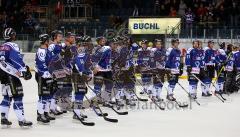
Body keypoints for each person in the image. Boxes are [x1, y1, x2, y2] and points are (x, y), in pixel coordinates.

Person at [0, 28, 32, 127]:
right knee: (18, 96)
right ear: (12, 35)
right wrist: (24, 70)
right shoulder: (12, 45)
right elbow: (16, 59)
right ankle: (22, 120)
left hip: (2, 74)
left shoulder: (2, 46)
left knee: (7, 97)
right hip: (11, 75)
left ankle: (3, 119)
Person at [35, 34, 55, 124]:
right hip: (41, 75)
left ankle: (46, 113)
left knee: (47, 94)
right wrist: (45, 73)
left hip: (48, 75)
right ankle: (40, 115)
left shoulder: (47, 50)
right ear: (46, 41)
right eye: (49, 40)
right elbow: (41, 64)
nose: (50, 41)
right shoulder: (41, 51)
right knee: (42, 95)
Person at [72, 35, 93, 120]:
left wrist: (89, 73)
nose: (90, 45)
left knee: (82, 92)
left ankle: (78, 111)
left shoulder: (87, 52)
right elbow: (79, 63)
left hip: (82, 75)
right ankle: (76, 112)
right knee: (79, 93)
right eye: (88, 43)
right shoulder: (81, 50)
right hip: (78, 75)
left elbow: (87, 64)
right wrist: (83, 73)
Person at [92, 37, 113, 107]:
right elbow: (93, 59)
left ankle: (106, 100)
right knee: (98, 86)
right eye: (102, 41)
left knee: (109, 85)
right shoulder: (96, 49)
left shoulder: (108, 48)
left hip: (108, 70)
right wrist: (95, 67)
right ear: (98, 42)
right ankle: (96, 100)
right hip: (99, 70)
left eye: (104, 41)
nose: (104, 42)